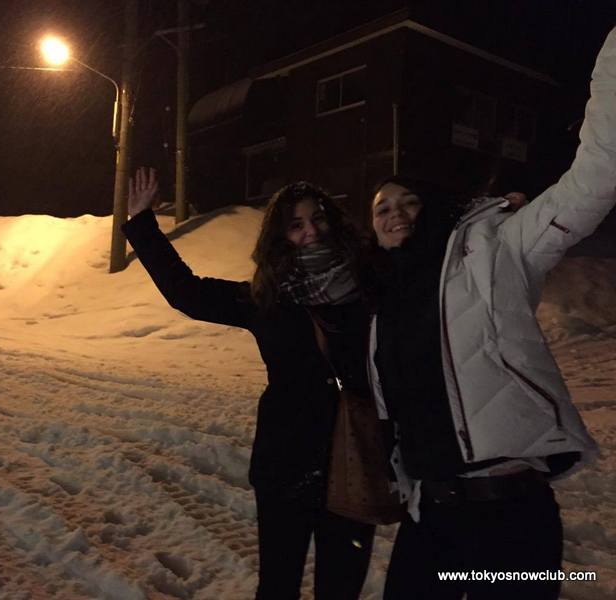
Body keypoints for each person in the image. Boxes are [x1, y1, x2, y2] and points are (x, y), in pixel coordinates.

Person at [367, 27, 616, 600]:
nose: (395, 213)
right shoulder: (381, 302)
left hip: (511, 516)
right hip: (430, 515)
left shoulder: (499, 248)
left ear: (433, 209)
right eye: (381, 208)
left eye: (408, 201)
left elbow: (593, 182)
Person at [123, 171, 376, 599]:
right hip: (286, 467)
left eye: (318, 219)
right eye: (296, 225)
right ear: (281, 237)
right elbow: (187, 293)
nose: (311, 231)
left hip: (354, 463)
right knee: (277, 588)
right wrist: (142, 223)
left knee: (341, 591)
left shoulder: (371, 291)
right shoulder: (268, 300)